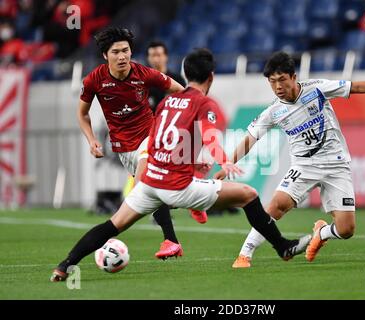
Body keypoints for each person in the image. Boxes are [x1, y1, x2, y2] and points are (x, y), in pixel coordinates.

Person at [50, 48, 310, 282]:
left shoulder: (166, 102)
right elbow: (209, 135)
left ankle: (65, 264)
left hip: (150, 182)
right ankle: (283, 248)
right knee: (248, 195)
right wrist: (222, 160)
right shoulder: (204, 103)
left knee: (113, 224)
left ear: (185, 74)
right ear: (211, 77)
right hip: (175, 186)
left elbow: (160, 140)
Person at [214, 51, 365, 268]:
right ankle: (245, 254)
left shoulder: (317, 89)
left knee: (346, 230)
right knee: (277, 204)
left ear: (293, 76)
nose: (278, 86)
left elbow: (354, 87)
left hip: (337, 164)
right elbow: (249, 140)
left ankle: (322, 233)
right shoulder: (273, 111)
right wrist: (228, 163)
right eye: (272, 82)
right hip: (304, 165)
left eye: (282, 80)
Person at [77, 27, 189, 260]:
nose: (122, 56)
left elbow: (181, 92)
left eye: (126, 50)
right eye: (116, 52)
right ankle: (179, 212)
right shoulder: (94, 80)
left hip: (151, 138)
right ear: (105, 56)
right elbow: (83, 114)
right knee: (148, 194)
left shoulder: (144, 73)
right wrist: (92, 140)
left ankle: (169, 236)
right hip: (124, 148)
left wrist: (174, 120)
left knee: (145, 188)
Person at [146, 40, 208, 224]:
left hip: (174, 136)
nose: (156, 58)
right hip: (150, 136)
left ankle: (190, 203)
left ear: (165, 56)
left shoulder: (176, 81)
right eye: (152, 55)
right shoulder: (145, 82)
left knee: (171, 173)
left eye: (159, 54)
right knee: (153, 174)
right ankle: (163, 213)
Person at [146, 41, 186, 110]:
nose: (155, 59)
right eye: (152, 55)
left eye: (158, 55)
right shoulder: (143, 83)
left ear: (166, 56)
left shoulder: (178, 80)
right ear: (148, 58)